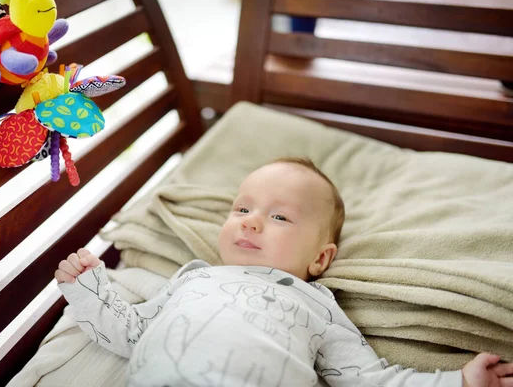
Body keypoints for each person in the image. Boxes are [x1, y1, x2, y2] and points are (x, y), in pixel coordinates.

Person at [55, 157, 513, 386]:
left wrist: (459, 379)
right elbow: (130, 331)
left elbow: (370, 379)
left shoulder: (317, 306)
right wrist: (89, 287)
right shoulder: (193, 278)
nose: (251, 220)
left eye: (279, 217)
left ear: (320, 260)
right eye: (242, 208)